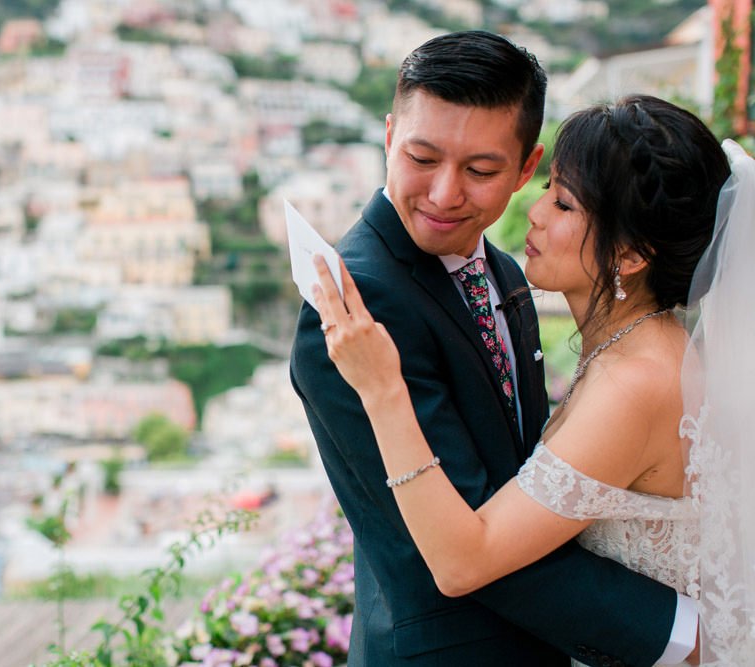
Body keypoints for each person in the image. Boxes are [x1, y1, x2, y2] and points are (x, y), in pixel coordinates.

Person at [290, 31, 701, 666]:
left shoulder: (509, 272)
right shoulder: (355, 308)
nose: (445, 194)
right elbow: (463, 542)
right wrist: (688, 634)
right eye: (421, 158)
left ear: (525, 168)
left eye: (481, 171)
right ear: (390, 134)